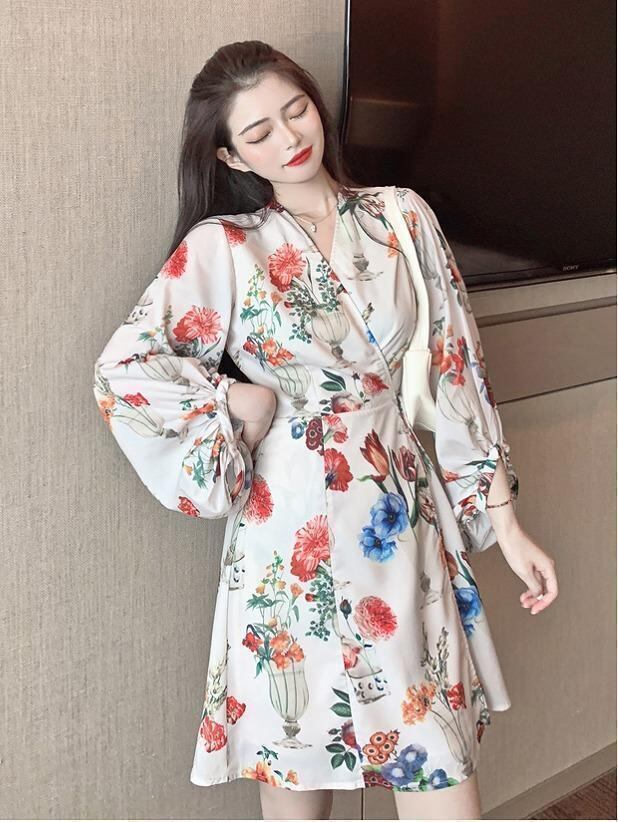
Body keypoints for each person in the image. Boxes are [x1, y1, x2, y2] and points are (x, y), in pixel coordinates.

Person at [92, 40, 558, 821]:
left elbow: (456, 372)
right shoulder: (225, 247)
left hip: (398, 519)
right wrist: (237, 404)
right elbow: (125, 370)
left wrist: (506, 526)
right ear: (230, 155)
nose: (288, 139)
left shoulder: (401, 217)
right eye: (259, 133)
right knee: (299, 763)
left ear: (316, 103)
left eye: (296, 111)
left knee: (436, 762)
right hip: (287, 540)